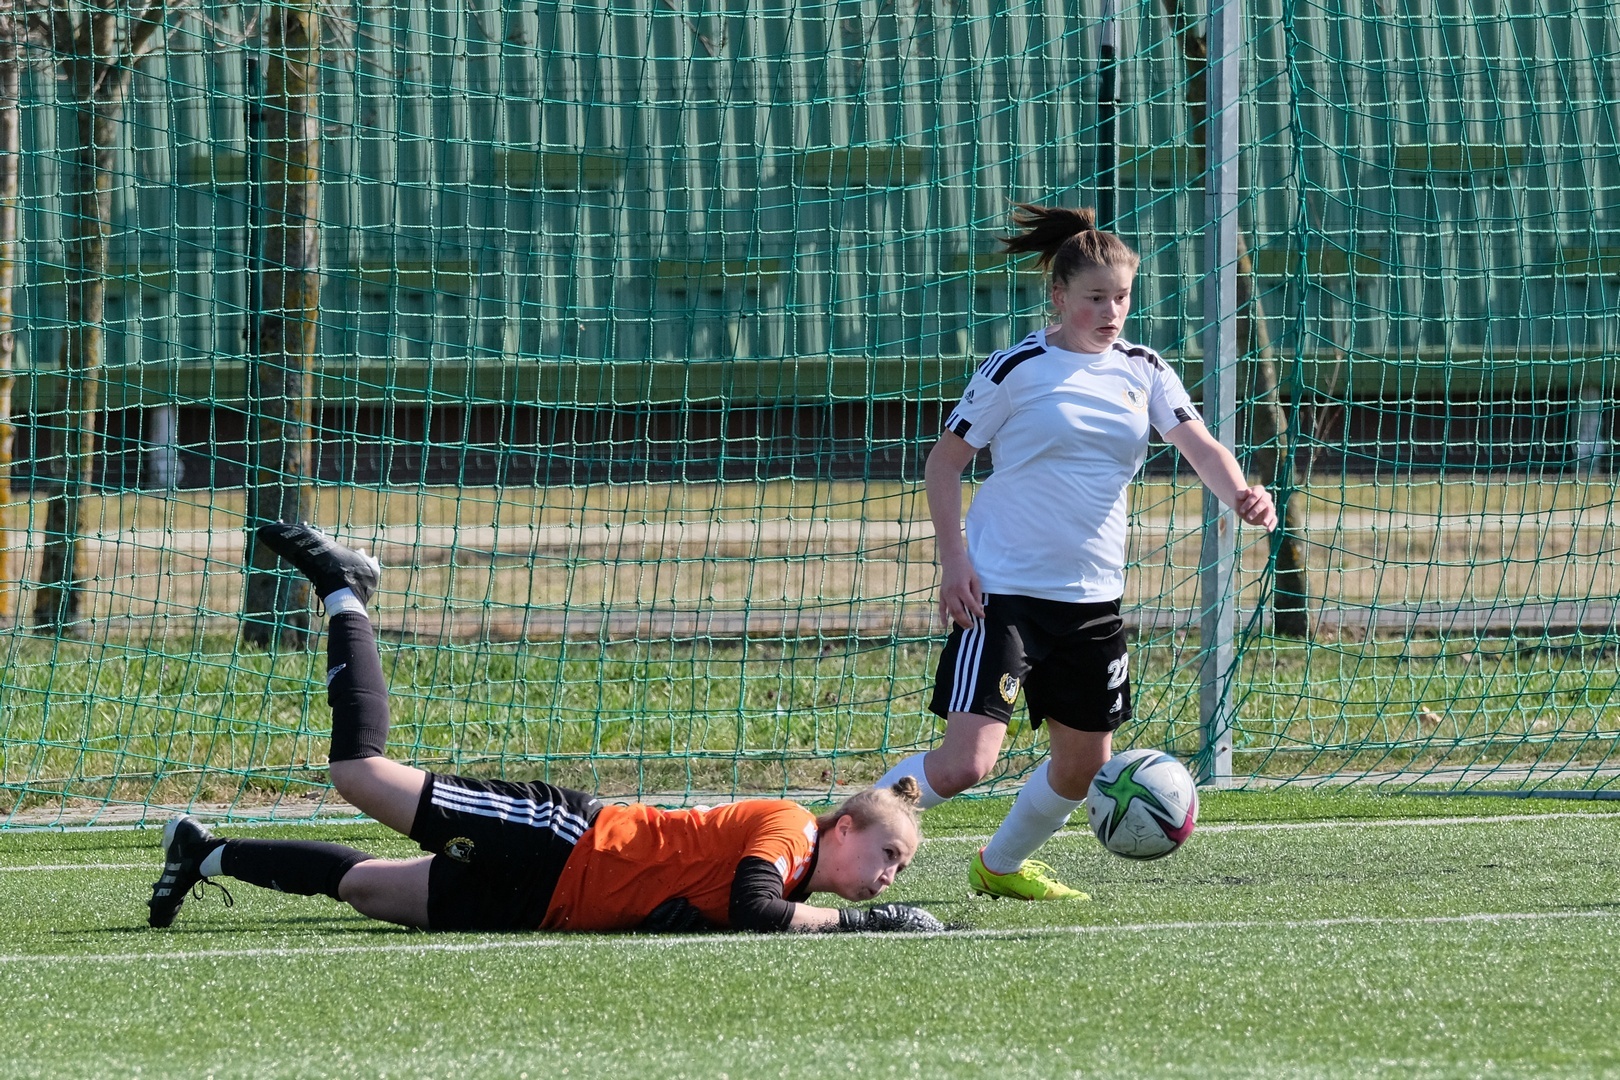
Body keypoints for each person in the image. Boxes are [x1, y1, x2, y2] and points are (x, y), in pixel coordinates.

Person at [148, 523, 944, 935]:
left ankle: (202, 852)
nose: (889, 878)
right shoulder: (794, 829)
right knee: (359, 773)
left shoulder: (798, 879)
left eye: (900, 871)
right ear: (845, 828)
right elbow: (754, 907)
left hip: (548, 903)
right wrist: (865, 926)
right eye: (889, 855)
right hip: (563, 842)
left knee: (363, 889)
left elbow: (741, 909)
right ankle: (343, 587)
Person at [877, 204, 1277, 900]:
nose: (1111, 312)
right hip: (1003, 596)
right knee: (966, 764)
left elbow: (1200, 447)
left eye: (1121, 297)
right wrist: (955, 562)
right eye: (1095, 298)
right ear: (1059, 297)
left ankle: (998, 867)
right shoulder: (1017, 367)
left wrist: (1242, 493)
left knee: (1081, 767)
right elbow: (944, 464)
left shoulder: (1144, 370)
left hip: (1092, 602)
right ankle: (827, 838)